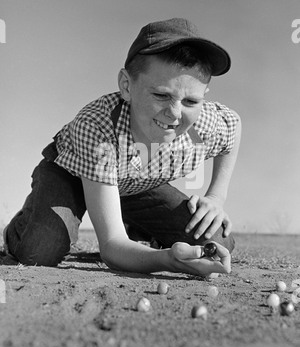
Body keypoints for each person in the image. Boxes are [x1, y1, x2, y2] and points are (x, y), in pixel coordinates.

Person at [3, 18, 241, 277]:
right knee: (40, 248)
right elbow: (112, 247)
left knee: (216, 240)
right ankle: (19, 229)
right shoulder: (98, 127)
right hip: (69, 176)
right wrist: (167, 260)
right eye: (161, 95)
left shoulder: (203, 124)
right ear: (127, 86)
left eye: (192, 100)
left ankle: (137, 228)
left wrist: (216, 197)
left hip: (134, 183)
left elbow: (233, 127)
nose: (174, 113)